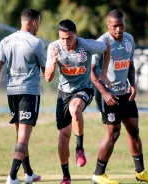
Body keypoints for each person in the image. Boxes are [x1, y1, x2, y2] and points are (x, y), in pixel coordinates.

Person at [91, 9, 148, 184]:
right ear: (108, 25)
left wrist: (133, 85)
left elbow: (130, 66)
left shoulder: (129, 39)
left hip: (125, 93)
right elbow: (91, 74)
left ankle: (141, 172)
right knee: (113, 133)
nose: (118, 29)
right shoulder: (101, 43)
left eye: (121, 25)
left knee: (134, 130)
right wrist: (105, 93)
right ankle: (98, 175)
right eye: (114, 26)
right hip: (108, 95)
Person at [45, 19, 111, 184]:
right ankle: (66, 177)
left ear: (76, 34)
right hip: (64, 93)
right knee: (62, 137)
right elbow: (47, 78)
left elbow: (106, 47)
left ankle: (80, 148)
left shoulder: (86, 46)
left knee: (75, 109)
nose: (65, 42)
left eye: (69, 38)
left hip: (84, 89)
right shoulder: (54, 47)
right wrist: (53, 62)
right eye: (62, 38)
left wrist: (103, 73)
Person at [0, 8, 47, 184]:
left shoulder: (5, 41)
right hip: (28, 92)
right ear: (34, 23)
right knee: (23, 136)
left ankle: (28, 173)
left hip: (11, 92)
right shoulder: (36, 43)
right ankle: (12, 176)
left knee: (21, 134)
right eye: (39, 24)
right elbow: (46, 71)